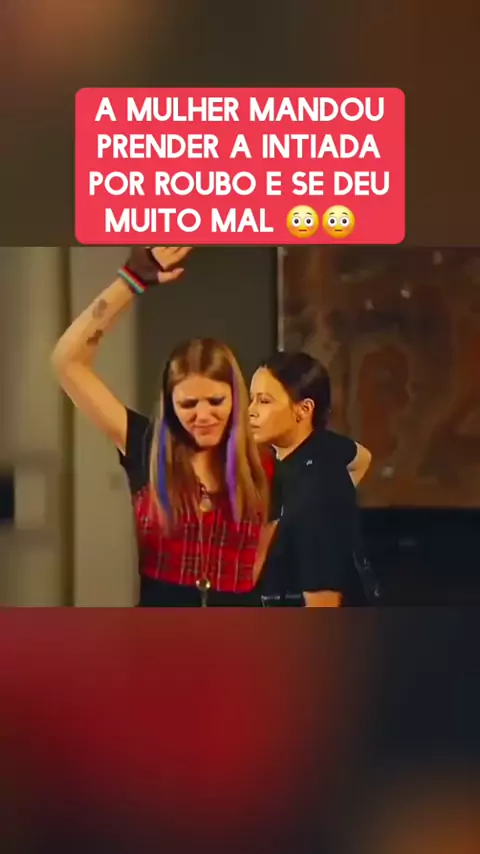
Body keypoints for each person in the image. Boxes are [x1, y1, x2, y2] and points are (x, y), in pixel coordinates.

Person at [51, 246, 273, 607]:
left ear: (236, 397)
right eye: (188, 404)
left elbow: (259, 567)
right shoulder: (146, 444)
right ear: (170, 404)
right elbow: (67, 362)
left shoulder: (265, 464)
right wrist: (129, 282)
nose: (203, 415)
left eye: (216, 401)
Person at [249, 351, 374, 607]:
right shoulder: (324, 445)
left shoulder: (316, 492)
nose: (251, 411)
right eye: (251, 400)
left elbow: (323, 601)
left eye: (264, 401)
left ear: (304, 409)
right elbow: (363, 457)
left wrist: (330, 497)